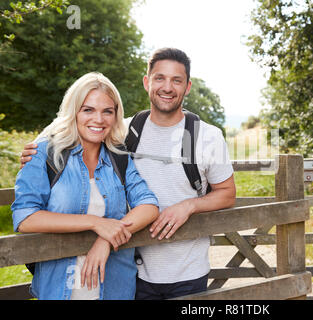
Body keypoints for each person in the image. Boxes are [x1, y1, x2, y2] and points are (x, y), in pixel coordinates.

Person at [21, 48, 236, 300]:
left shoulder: (208, 136)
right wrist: (35, 149)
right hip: (135, 269)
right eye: (159, 78)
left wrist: (189, 205)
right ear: (147, 82)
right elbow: (76, 121)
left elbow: (227, 194)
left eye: (176, 80)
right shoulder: (125, 130)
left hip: (186, 269)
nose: (167, 87)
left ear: (187, 86)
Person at [12, 72, 160, 300]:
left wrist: (106, 239)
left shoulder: (119, 157)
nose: (99, 120)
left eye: (107, 111)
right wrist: (96, 223)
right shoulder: (44, 154)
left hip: (115, 288)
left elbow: (149, 205)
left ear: (116, 115)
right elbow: (25, 217)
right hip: (60, 289)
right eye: (88, 109)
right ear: (74, 112)